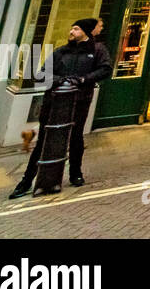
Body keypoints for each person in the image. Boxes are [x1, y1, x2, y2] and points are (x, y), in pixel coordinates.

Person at [10, 19, 112, 197]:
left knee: (76, 137)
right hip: (54, 102)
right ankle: (26, 181)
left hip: (79, 100)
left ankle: (75, 174)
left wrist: (83, 80)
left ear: (85, 31)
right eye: (71, 28)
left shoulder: (97, 50)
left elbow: (105, 70)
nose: (71, 31)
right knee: (43, 140)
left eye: (76, 28)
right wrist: (60, 80)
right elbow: (41, 74)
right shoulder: (60, 52)